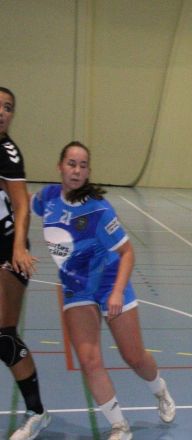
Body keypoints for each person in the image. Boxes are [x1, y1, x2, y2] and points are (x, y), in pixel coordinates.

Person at [31, 142, 176, 440]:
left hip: (110, 282)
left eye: (83, 165)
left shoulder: (98, 209)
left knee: (133, 356)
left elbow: (127, 253)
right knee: (89, 360)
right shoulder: (46, 199)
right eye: (71, 163)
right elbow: (19, 202)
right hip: (76, 288)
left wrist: (116, 293)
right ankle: (120, 427)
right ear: (60, 166)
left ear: (88, 171)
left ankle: (160, 390)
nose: (77, 170)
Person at [0, 86, 50, 440]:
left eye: (8, 108)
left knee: (3, 336)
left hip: (6, 250)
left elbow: (21, 205)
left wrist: (18, 247)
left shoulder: (7, 152)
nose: (3, 112)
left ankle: (36, 413)